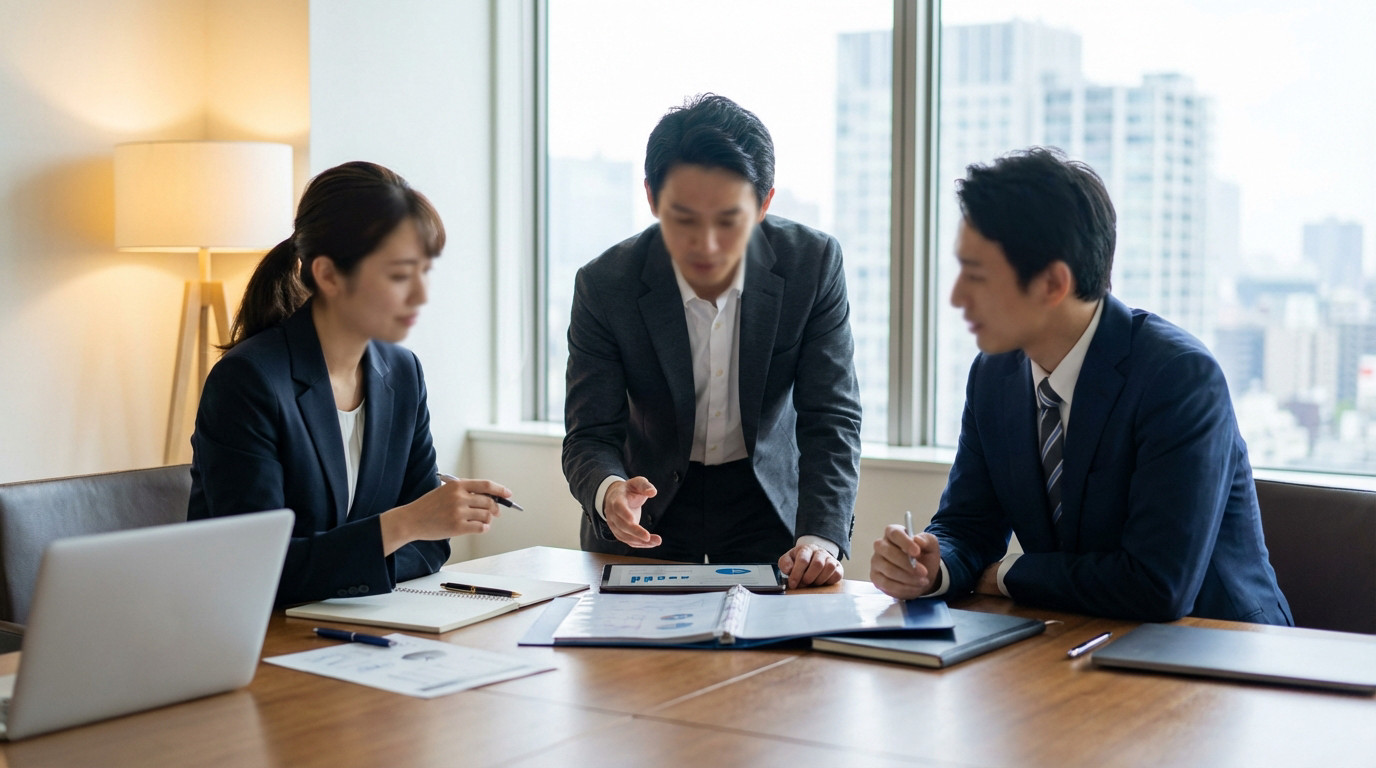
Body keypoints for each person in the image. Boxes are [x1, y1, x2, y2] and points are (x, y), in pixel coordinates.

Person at [871, 147, 1293, 624]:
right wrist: (935, 567)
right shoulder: (994, 375)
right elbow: (967, 524)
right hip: (1081, 636)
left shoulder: (1179, 378)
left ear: (1052, 283)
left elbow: (1158, 585)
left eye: (978, 276)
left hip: (1221, 651)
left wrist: (1004, 575)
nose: (957, 296)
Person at [562, 94, 862, 588]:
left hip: (770, 512)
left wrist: (820, 538)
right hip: (645, 515)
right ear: (652, 199)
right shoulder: (605, 284)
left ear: (764, 204)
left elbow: (832, 417)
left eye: (729, 220)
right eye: (684, 219)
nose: (706, 245)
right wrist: (609, 491)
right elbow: (589, 433)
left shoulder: (811, 265)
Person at [189, 161, 511, 607]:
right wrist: (402, 526)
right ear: (328, 275)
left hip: (359, 626)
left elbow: (432, 547)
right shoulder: (249, 381)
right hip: (253, 639)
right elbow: (255, 570)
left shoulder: (402, 373)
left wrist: (399, 536)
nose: (419, 295)